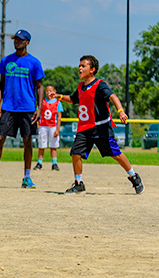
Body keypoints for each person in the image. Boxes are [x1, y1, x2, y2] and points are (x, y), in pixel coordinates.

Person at [57, 55, 143, 194]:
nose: (79, 68)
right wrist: (59, 96)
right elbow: (73, 99)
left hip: (101, 128)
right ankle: (79, 183)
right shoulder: (81, 86)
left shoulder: (99, 85)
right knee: (75, 153)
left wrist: (120, 111)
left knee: (115, 154)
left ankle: (133, 176)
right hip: (85, 128)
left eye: (83, 66)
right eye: (79, 65)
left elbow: (113, 96)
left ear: (92, 70)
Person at [0, 29, 44, 189]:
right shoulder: (6, 61)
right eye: (15, 39)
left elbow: (39, 87)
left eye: (20, 39)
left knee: (27, 141)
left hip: (27, 107)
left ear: (27, 42)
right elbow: (1, 85)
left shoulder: (34, 63)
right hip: (9, 106)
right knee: (0, 139)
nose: (16, 42)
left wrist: (39, 107)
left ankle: (27, 177)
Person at [35, 84, 63, 171]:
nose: (48, 92)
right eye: (47, 91)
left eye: (50, 91)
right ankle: (39, 163)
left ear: (54, 91)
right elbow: (37, 113)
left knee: (53, 146)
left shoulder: (57, 102)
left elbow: (59, 117)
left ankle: (54, 163)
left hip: (52, 126)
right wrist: (37, 123)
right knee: (41, 145)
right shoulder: (42, 102)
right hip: (43, 126)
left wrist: (57, 129)